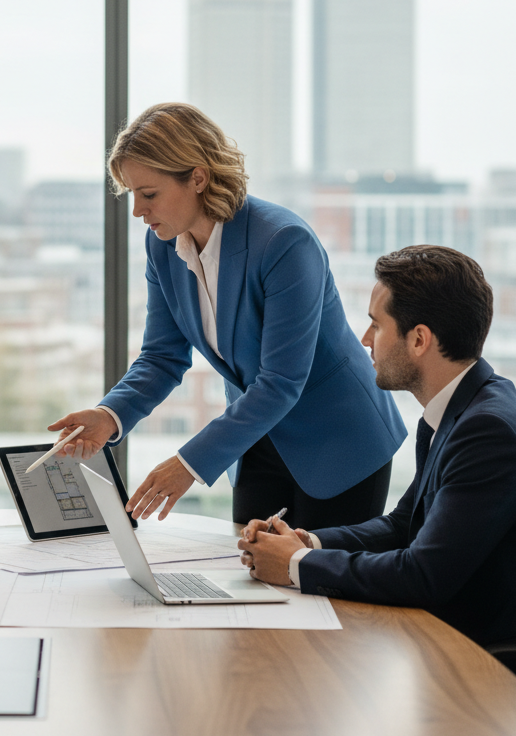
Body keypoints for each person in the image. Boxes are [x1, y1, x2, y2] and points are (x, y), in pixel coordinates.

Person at [48, 102, 407, 527]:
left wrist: (187, 463)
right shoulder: (162, 246)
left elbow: (281, 381)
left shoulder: (284, 243)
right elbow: (162, 356)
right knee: (251, 577)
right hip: (255, 438)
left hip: (337, 440)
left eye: (148, 195)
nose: (137, 212)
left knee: (318, 583)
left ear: (197, 177)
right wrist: (110, 416)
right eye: (131, 195)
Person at [238, 246, 516, 647]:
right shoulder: (462, 407)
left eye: (377, 325)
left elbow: (423, 575)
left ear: (419, 339)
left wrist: (296, 564)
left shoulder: (486, 430)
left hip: (481, 664)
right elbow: (402, 526)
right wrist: (306, 542)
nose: (366, 339)